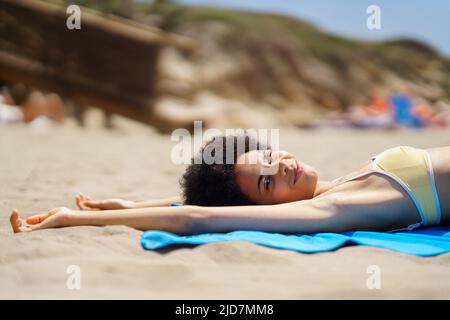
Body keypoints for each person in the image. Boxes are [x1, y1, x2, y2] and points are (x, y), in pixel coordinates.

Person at [10, 134, 450, 235]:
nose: (281, 167)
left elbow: (191, 202)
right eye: (267, 183)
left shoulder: (331, 187)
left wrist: (124, 205)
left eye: (269, 157)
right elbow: (198, 216)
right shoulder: (338, 208)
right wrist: (71, 220)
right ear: (269, 208)